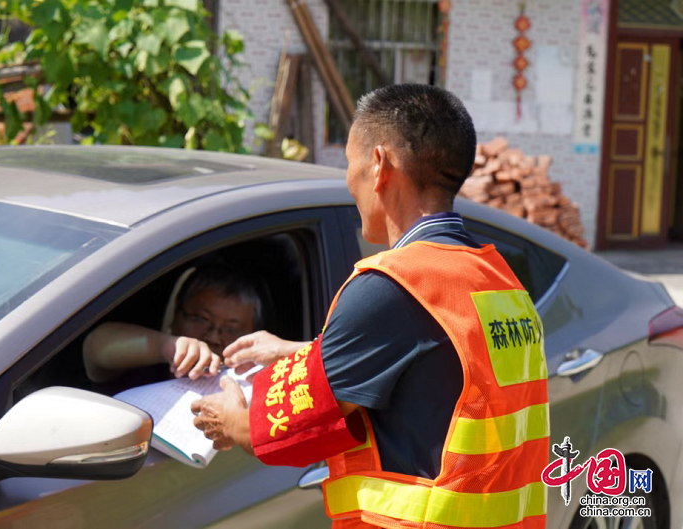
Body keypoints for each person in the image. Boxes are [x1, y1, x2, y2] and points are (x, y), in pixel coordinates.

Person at [191, 84, 549, 529]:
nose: (347, 181)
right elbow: (431, 363)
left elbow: (283, 432)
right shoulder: (499, 279)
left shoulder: (392, 285)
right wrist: (297, 351)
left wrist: (229, 421)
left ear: (378, 164)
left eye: (348, 163)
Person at [83, 264, 262, 384]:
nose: (213, 337)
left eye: (231, 329)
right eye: (200, 318)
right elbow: (96, 349)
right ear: (175, 317)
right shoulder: (147, 368)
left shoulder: (254, 387)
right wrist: (166, 346)